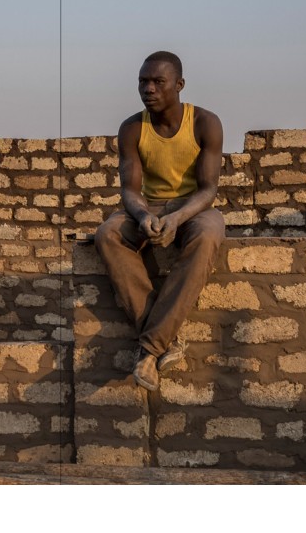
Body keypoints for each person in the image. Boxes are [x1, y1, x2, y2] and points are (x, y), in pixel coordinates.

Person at [94, 50, 225, 392]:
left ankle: (149, 348)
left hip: (192, 207)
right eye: (143, 81)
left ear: (179, 85)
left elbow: (209, 189)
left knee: (209, 234)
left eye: (158, 82)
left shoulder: (204, 123)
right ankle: (167, 337)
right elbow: (129, 189)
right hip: (149, 206)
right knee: (108, 234)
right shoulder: (132, 128)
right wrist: (142, 216)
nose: (148, 89)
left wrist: (179, 217)